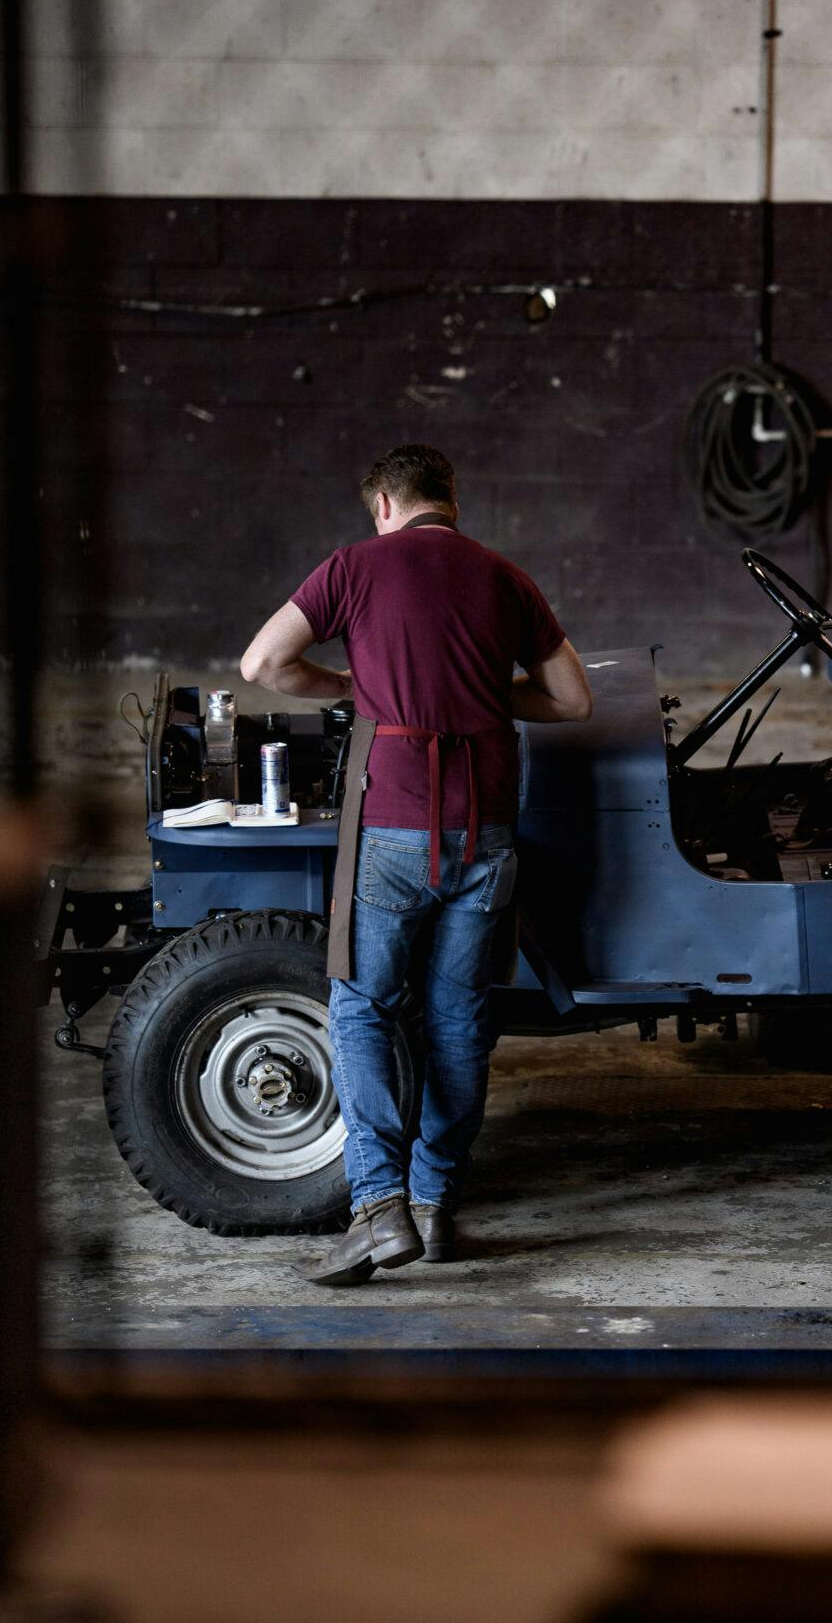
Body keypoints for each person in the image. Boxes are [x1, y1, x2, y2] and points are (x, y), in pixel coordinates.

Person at [238, 444, 592, 1285]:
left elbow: (261, 664)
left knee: (361, 1005)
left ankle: (377, 1207)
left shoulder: (354, 567)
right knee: (460, 1018)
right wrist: (479, 688)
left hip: (393, 825)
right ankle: (434, 1206)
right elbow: (575, 699)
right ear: (451, 501)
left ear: (385, 505)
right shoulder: (503, 576)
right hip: (487, 833)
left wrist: (346, 684)